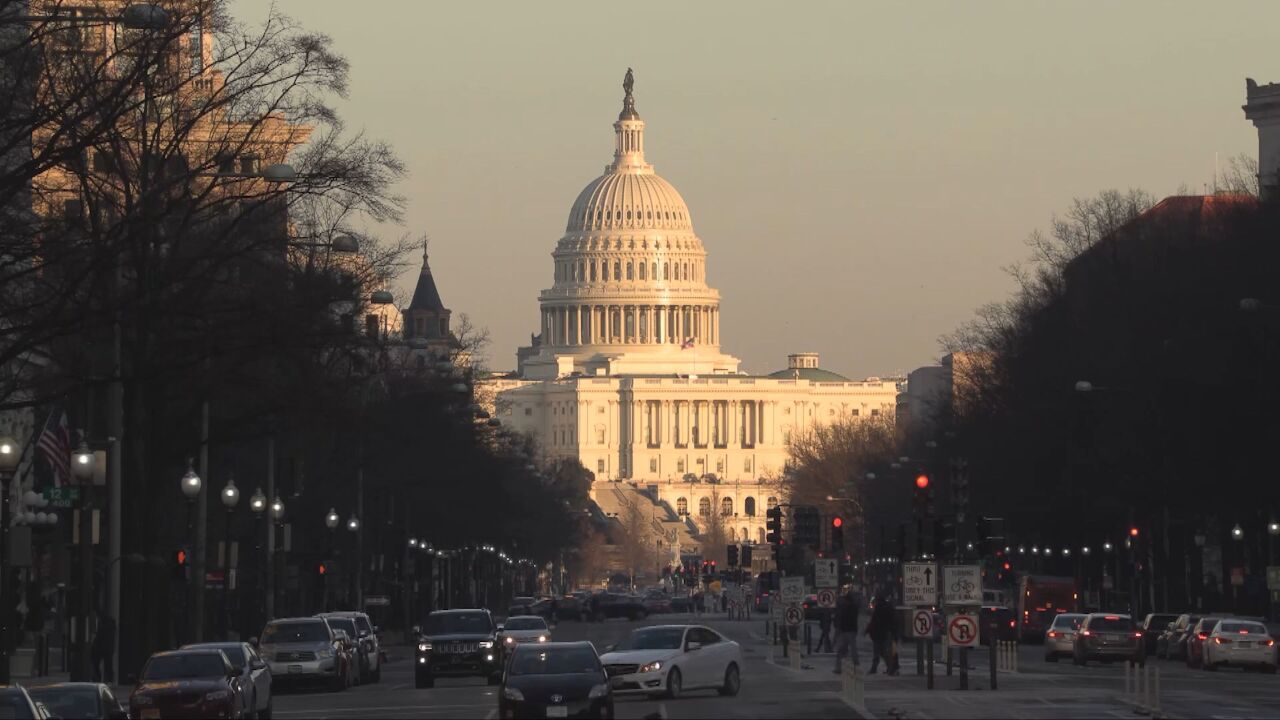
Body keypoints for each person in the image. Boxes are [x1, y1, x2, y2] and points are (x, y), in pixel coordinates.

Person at [832, 586, 860, 674]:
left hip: (843, 630)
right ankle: (856, 665)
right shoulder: (854, 607)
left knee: (841, 650)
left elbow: (839, 618)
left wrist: (837, 628)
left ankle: (838, 667)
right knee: (853, 648)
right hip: (852, 630)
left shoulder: (843, 607)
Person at [90, 611, 116, 683]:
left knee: (100, 663)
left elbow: (99, 636)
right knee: (107, 664)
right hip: (106, 647)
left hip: (102, 647)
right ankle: (107, 679)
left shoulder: (105, 623)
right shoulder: (109, 623)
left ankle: (100, 678)